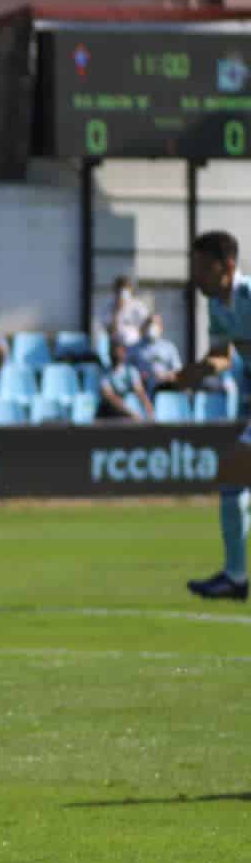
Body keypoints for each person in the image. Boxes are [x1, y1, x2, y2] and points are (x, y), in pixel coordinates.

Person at [169, 231, 251, 601]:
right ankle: (234, 577)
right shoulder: (217, 305)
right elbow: (223, 355)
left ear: (228, 266)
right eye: (196, 266)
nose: (197, 274)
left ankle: (235, 577)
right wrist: (193, 373)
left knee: (234, 478)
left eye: (204, 267)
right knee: (233, 483)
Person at [97, 341, 152, 422]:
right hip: (111, 411)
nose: (117, 355)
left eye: (120, 352)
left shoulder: (131, 370)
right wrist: (130, 413)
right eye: (115, 352)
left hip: (128, 409)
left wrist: (149, 409)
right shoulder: (105, 373)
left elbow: (140, 391)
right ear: (110, 354)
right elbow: (109, 396)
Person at [130, 313, 182, 391]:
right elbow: (127, 369)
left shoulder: (169, 347)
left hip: (164, 388)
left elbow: (178, 372)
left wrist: (165, 376)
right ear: (144, 327)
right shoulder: (135, 348)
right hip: (142, 389)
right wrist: (138, 375)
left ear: (161, 328)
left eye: (156, 324)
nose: (152, 327)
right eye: (150, 323)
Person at [108, 276, 150, 349]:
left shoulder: (138, 306)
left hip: (135, 345)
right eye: (119, 291)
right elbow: (108, 329)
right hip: (115, 346)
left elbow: (146, 323)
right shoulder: (109, 306)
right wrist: (116, 310)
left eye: (125, 290)